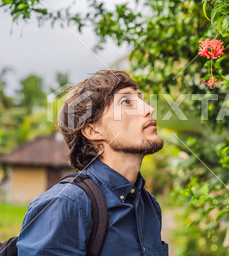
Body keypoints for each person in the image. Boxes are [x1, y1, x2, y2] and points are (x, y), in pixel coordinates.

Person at [16, 70, 168, 256]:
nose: (149, 108)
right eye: (126, 102)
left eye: (140, 99)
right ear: (93, 131)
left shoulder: (149, 206)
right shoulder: (65, 205)